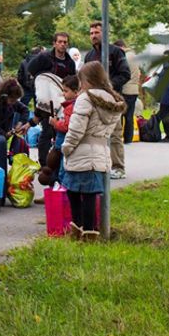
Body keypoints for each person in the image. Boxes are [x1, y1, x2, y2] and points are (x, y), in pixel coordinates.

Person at [60, 61, 125, 242]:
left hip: (81, 151)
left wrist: (66, 148)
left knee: (73, 192)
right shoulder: (113, 101)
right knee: (90, 196)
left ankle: (79, 231)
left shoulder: (85, 99)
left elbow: (76, 130)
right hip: (100, 154)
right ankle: (90, 234)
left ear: (86, 79)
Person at [25, 32, 78, 176]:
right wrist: (38, 84)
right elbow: (29, 69)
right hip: (46, 100)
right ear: (54, 43)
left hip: (63, 101)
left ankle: (59, 163)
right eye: (60, 42)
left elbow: (73, 80)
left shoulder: (69, 62)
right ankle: (44, 165)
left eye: (65, 42)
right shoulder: (44, 58)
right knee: (47, 131)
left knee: (61, 131)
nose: (62, 44)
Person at [83, 22, 131, 179]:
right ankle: (98, 165)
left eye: (97, 32)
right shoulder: (89, 56)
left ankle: (118, 167)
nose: (94, 35)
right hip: (94, 100)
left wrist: (109, 86)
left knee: (115, 133)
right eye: (91, 33)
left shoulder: (116, 52)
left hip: (112, 99)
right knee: (95, 133)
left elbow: (125, 74)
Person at [115, 40, 142, 144]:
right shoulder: (134, 56)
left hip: (125, 89)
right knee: (130, 116)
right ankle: (128, 139)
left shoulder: (123, 57)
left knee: (120, 115)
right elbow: (138, 73)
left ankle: (119, 137)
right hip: (134, 90)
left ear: (120, 47)